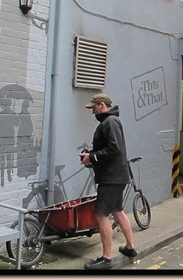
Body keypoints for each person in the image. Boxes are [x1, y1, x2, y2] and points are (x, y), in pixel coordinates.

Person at [79, 93, 138, 270]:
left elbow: (114, 148)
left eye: (94, 108)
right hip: (116, 176)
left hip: (111, 178)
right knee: (117, 210)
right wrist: (91, 155)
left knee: (101, 214)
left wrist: (92, 157)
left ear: (102, 105)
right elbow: (110, 148)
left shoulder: (110, 122)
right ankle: (130, 248)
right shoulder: (110, 121)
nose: (92, 112)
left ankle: (106, 259)